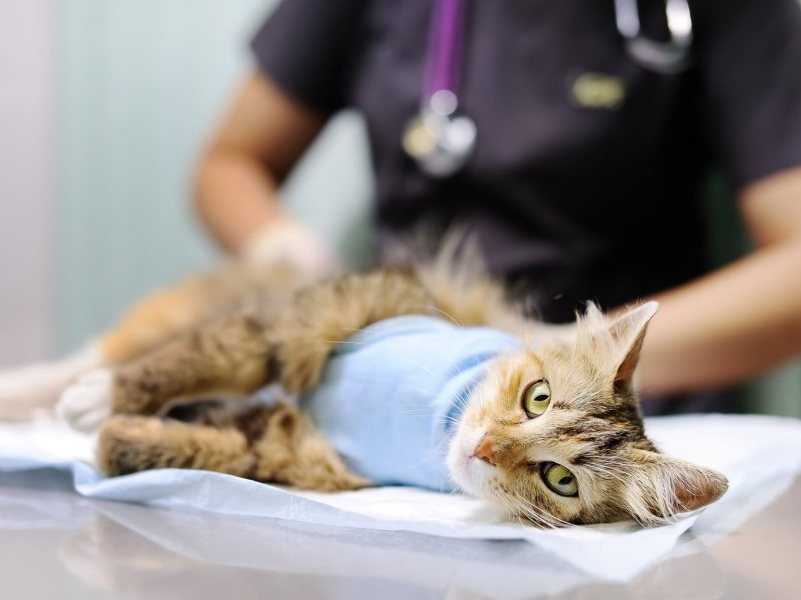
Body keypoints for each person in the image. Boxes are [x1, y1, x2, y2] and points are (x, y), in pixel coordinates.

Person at [193, 0, 801, 413]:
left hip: (623, 403)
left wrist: (570, 355)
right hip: (402, 370)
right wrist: (292, 257)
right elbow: (231, 163)